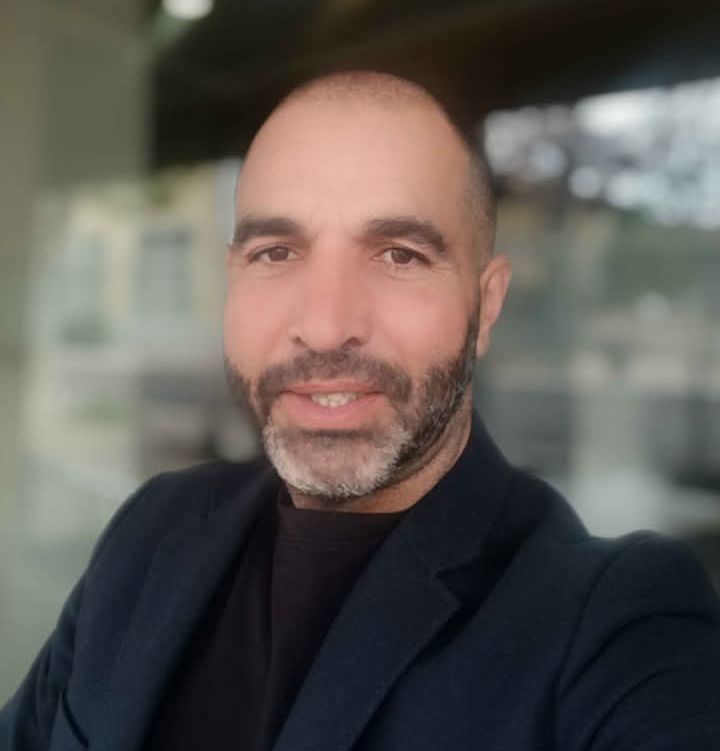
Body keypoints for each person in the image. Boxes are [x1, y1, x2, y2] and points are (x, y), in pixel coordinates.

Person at [2, 71, 720, 751]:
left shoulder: (611, 625)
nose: (325, 325)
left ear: (487, 303)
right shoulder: (153, 527)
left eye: (399, 255)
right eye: (276, 252)